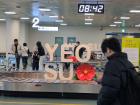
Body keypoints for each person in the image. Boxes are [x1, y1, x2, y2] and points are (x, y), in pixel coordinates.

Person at [97, 37, 135, 105]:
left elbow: (109, 92)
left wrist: (100, 102)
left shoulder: (112, 64)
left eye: (104, 52)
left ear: (108, 50)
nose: (105, 55)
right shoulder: (128, 63)